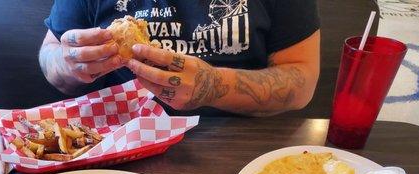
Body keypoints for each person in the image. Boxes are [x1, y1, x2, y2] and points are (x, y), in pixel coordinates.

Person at [40, 0, 320, 116]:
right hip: (118, 143)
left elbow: (302, 81)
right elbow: (50, 57)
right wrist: (69, 63)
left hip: (237, 141)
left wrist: (214, 85)